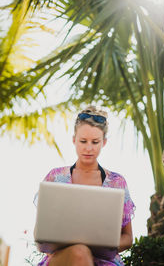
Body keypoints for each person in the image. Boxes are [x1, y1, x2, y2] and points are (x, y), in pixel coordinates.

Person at [35, 105, 135, 266]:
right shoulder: (55, 177)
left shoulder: (117, 182)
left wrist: (99, 245)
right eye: (83, 141)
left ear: (104, 143)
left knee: (82, 252)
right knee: (79, 253)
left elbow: (128, 238)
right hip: (64, 258)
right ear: (74, 140)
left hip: (105, 261)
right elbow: (40, 235)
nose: (89, 148)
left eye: (95, 142)